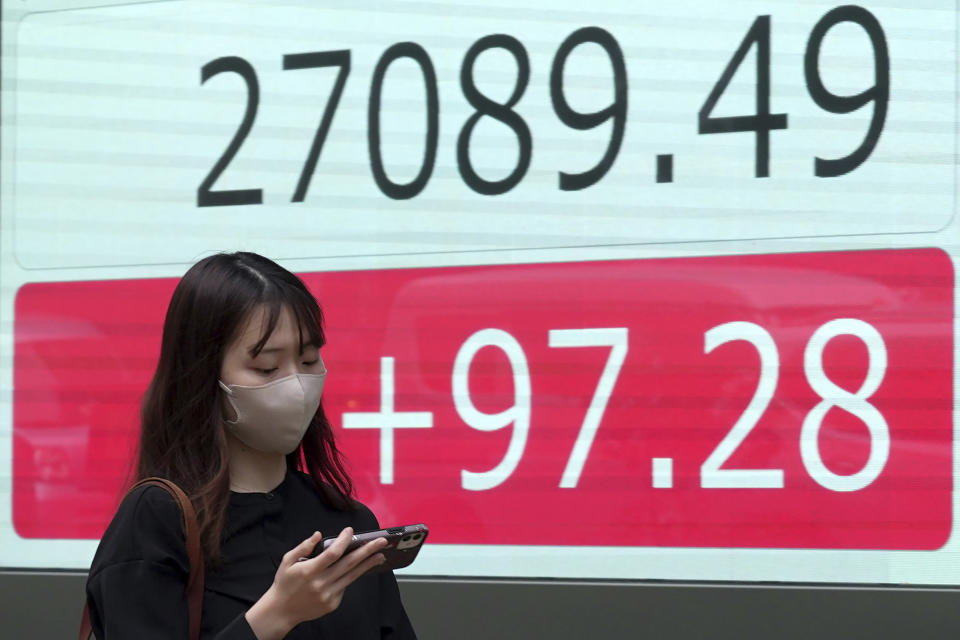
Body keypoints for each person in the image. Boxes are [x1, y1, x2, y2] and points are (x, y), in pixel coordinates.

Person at [84, 252, 417, 639]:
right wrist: (274, 616)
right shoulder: (158, 522)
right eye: (267, 368)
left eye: (308, 360)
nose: (296, 386)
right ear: (203, 376)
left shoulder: (349, 524)